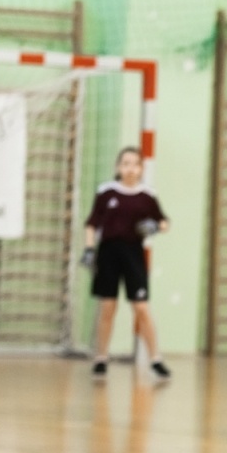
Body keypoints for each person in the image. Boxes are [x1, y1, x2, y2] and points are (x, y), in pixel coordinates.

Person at [83, 146, 171, 381]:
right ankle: (101, 358)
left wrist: (156, 227)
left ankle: (156, 359)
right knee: (107, 307)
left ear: (142, 168)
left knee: (141, 307)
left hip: (134, 254)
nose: (130, 169)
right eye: (125, 164)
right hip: (108, 254)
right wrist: (90, 249)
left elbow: (164, 222)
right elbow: (91, 224)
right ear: (118, 167)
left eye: (135, 164)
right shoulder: (106, 192)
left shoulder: (147, 196)